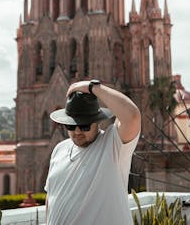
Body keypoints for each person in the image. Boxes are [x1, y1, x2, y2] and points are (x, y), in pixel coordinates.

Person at [45, 80, 141, 225]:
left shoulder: (112, 145)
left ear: (97, 121)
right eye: (70, 126)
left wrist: (92, 87)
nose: (77, 131)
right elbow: (51, 198)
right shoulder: (59, 150)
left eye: (84, 126)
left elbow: (132, 116)